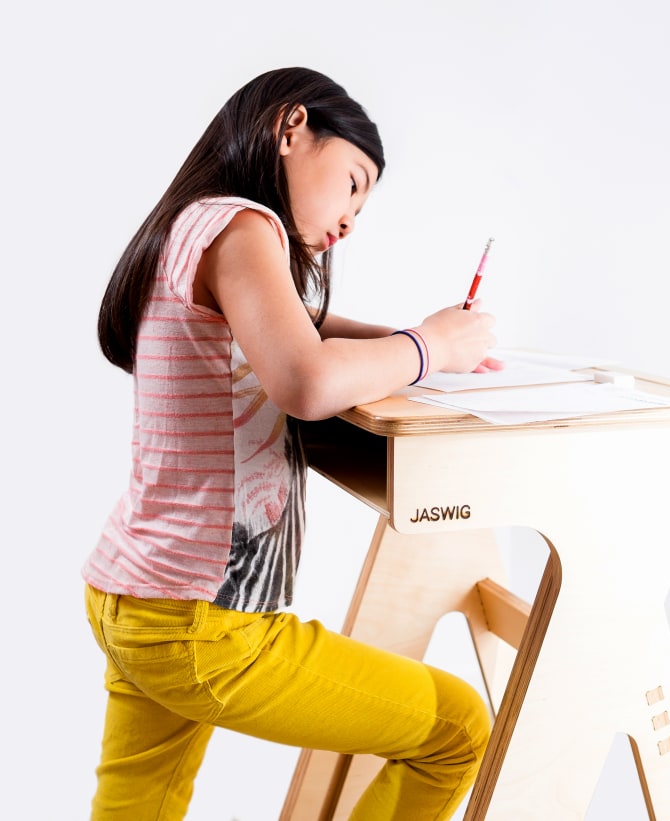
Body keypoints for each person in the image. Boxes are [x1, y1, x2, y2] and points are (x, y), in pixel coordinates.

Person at [82, 66, 502, 820]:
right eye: (352, 183)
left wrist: (429, 341)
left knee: (136, 805)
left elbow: (300, 330)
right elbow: (305, 378)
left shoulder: (191, 225)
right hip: (201, 623)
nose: (350, 220)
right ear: (290, 128)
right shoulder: (244, 226)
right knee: (455, 728)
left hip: (135, 596)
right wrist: (428, 345)